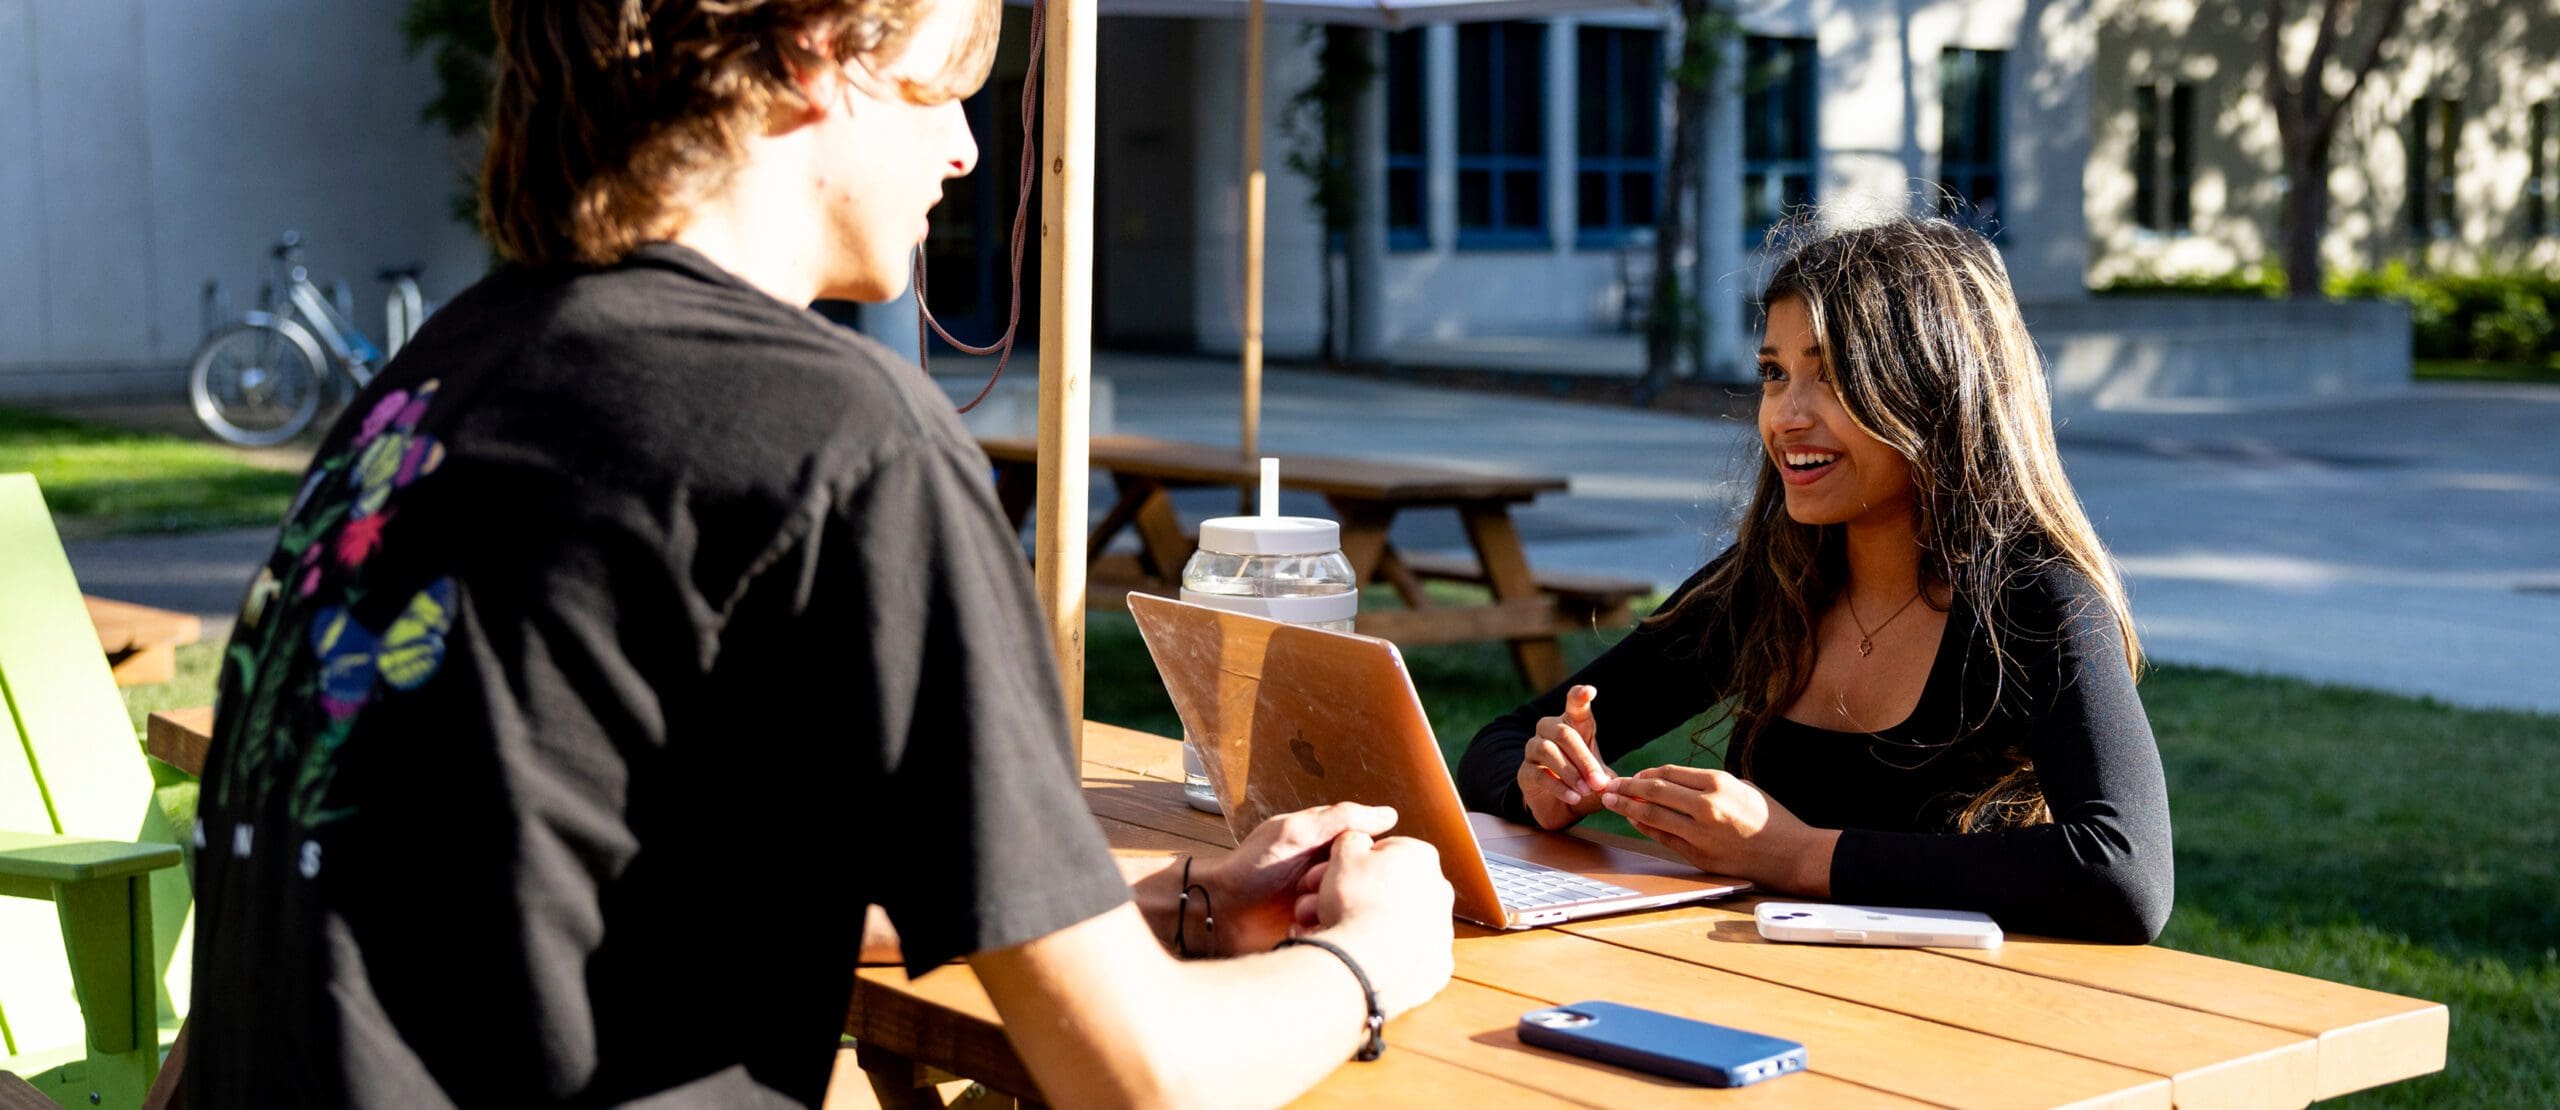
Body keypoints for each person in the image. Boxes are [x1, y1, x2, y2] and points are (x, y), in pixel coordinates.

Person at [185, 0, 1453, 1104]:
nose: (964, 148)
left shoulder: (434, 382)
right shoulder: (842, 440)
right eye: (945, 85)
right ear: (814, 55)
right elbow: (1146, 1080)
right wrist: (1372, 958)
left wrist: (1165, 903)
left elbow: (586, 889)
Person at [1455, 215, 2173, 944]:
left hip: (1949, 1029)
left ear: (1935, 391)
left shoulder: (2034, 600)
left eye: (1831, 377)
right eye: (1774, 374)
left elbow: (2124, 874)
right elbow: (1497, 741)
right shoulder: (1767, 583)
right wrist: (1538, 784)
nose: (1786, 417)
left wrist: (1800, 856)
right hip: (1756, 1003)